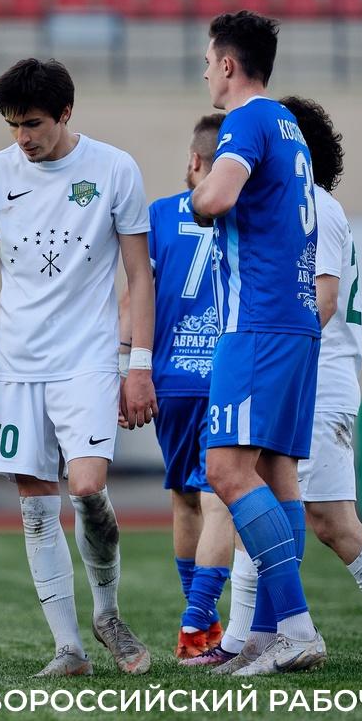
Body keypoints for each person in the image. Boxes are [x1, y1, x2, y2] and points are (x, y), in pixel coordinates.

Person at [210, 96, 362, 668]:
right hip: (307, 374)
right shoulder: (304, 205)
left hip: (318, 379)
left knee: (327, 519)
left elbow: (325, 299)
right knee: (258, 493)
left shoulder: (317, 208)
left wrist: (279, 357)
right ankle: (244, 639)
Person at [0, 57, 156, 677]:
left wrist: (138, 365)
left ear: (66, 114)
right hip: (17, 368)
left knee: (89, 487)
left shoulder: (115, 168)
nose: (23, 138)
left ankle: (107, 612)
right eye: (13, 125)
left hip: (89, 362)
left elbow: (139, 274)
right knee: (35, 502)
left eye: (34, 124)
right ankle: (68, 648)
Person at [191, 12, 325, 676]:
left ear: (227, 65)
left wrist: (194, 194)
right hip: (296, 319)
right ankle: (272, 632)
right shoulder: (290, 126)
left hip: (259, 318)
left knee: (225, 470)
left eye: (207, 60)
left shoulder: (245, 120)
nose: (204, 70)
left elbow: (215, 198)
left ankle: (296, 627)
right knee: (275, 472)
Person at [124, 114, 235, 659]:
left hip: (169, 378)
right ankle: (198, 623)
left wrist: (126, 369)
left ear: (194, 160)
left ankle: (200, 625)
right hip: (228, 374)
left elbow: (134, 298)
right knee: (219, 497)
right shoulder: (243, 213)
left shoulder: (160, 216)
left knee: (185, 498)